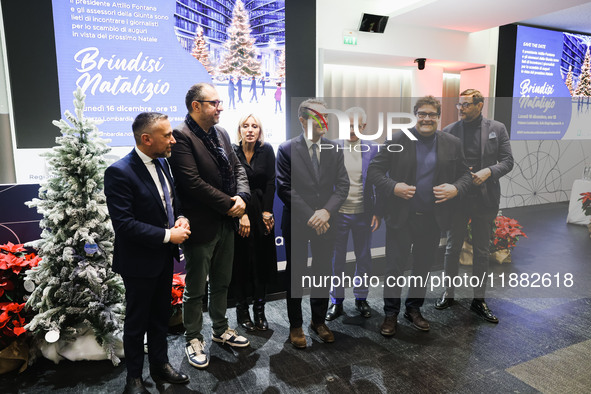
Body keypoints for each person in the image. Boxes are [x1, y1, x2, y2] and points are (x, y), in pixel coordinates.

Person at [367, 96, 471, 336]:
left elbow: (466, 175)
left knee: (422, 267)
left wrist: (456, 188)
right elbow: (374, 171)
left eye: (431, 114)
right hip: (402, 217)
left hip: (433, 218)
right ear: (416, 115)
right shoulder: (398, 138)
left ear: (438, 117)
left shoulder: (452, 143)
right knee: (394, 268)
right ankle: (390, 313)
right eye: (422, 114)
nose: (426, 118)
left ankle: (413, 309)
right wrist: (394, 187)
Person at [104, 112, 191, 393]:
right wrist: (169, 235)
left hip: (163, 258)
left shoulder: (163, 165)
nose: (173, 139)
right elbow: (125, 225)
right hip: (139, 262)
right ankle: (134, 378)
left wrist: (181, 219)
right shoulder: (119, 172)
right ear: (146, 138)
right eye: (167, 135)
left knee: (159, 317)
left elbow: (172, 202)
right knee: (136, 322)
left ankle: (160, 365)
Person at [168, 83, 251, 370]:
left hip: (225, 223)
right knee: (195, 288)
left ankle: (220, 330)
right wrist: (230, 204)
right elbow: (192, 183)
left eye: (220, 103)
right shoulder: (181, 135)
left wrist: (242, 198)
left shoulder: (222, 133)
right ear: (196, 106)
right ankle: (193, 337)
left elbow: (238, 168)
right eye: (214, 102)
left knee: (222, 282)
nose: (220, 107)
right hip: (201, 226)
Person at [435, 89, 514, 323]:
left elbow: (508, 161)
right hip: (458, 199)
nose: (461, 109)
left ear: (480, 105)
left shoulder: (497, 129)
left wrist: (488, 171)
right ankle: (448, 293)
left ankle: (479, 300)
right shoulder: (449, 131)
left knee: (481, 250)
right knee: (452, 247)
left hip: (485, 198)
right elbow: (442, 167)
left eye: (466, 105)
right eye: (459, 105)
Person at [276, 98, 349, 349]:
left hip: (326, 223)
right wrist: (312, 215)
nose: (325, 121)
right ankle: (295, 325)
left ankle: (318, 321)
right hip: (297, 221)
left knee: (321, 271)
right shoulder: (286, 149)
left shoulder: (334, 148)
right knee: (295, 273)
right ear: (302, 121)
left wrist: (326, 212)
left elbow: (342, 186)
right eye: (319, 117)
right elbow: (285, 188)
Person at [325, 107, 381, 321]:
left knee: (364, 257)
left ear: (364, 127)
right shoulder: (331, 148)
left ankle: (361, 298)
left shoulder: (373, 149)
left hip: (364, 213)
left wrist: (377, 212)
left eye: (357, 125)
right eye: (348, 125)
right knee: (337, 259)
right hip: (338, 213)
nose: (352, 129)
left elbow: (378, 182)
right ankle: (336, 301)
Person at [230, 113, 277, 331]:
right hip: (239, 212)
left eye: (254, 126)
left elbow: (270, 182)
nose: (250, 129)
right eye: (245, 125)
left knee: (262, 263)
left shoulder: (266, 150)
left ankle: (260, 310)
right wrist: (241, 215)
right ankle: (242, 311)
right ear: (239, 129)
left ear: (260, 130)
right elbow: (229, 185)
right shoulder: (231, 151)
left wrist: (267, 212)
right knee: (241, 265)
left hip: (262, 214)